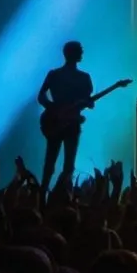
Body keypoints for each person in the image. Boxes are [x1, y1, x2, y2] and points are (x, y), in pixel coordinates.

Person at [37, 40, 93, 193]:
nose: (82, 53)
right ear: (72, 53)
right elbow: (41, 96)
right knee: (55, 162)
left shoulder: (81, 77)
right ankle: (48, 195)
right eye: (79, 51)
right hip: (58, 121)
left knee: (61, 163)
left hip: (70, 122)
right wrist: (54, 108)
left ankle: (56, 195)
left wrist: (85, 104)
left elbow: (41, 96)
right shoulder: (59, 75)